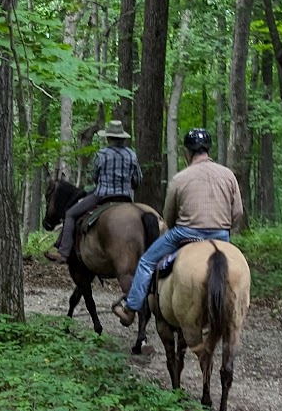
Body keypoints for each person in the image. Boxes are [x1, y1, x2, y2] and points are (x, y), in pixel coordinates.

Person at [113, 127, 243, 325]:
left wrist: (174, 227)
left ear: (187, 153)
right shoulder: (228, 175)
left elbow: (169, 215)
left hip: (186, 233)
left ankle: (130, 309)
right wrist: (224, 229)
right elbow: (238, 213)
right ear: (208, 150)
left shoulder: (179, 179)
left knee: (147, 262)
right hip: (221, 235)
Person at [46, 119, 142, 263]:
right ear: (122, 138)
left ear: (109, 137)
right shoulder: (131, 155)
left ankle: (63, 252)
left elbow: (95, 178)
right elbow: (137, 180)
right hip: (126, 198)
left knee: (70, 214)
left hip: (102, 195)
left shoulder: (101, 154)